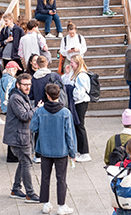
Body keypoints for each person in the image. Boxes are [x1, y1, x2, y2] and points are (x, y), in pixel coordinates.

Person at [30, 83, 76, 215]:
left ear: (47, 95)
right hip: (61, 150)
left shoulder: (40, 111)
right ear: (58, 95)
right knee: (61, 178)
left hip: (44, 149)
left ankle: (45, 204)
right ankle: (61, 205)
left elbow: (33, 128)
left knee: (45, 177)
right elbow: (70, 135)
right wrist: (72, 152)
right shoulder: (66, 112)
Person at [4, 73, 39, 202]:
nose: (28, 87)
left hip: (23, 135)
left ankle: (16, 189)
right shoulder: (15, 98)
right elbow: (24, 116)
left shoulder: (22, 96)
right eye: (25, 84)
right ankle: (30, 193)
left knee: (23, 162)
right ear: (18, 85)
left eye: (29, 84)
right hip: (19, 137)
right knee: (26, 163)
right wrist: (37, 109)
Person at [62, 54, 91, 163]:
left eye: (72, 63)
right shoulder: (75, 74)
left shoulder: (81, 76)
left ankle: (85, 152)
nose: (70, 64)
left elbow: (79, 93)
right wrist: (67, 72)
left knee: (80, 126)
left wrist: (72, 94)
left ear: (77, 63)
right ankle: (80, 150)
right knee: (77, 125)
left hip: (80, 102)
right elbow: (65, 80)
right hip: (77, 102)